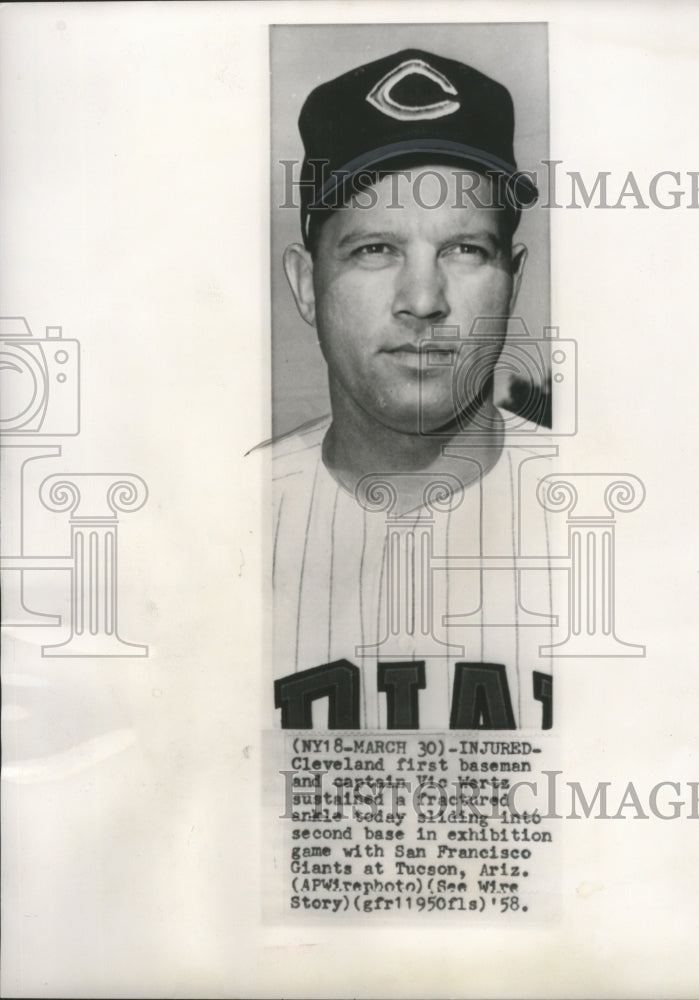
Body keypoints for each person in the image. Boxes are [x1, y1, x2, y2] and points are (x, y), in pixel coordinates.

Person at [254, 49, 556, 731]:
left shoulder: (620, 522)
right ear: (306, 285)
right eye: (374, 250)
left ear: (515, 279)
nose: (423, 301)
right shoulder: (215, 524)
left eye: (465, 250)